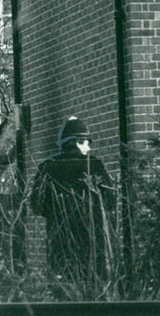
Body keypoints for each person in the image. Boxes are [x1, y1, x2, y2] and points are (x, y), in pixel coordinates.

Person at [30, 115, 115, 295]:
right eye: (86, 142)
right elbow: (111, 201)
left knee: (62, 289)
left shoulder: (47, 167)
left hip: (59, 239)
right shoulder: (95, 166)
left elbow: (36, 205)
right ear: (77, 142)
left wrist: (55, 211)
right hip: (92, 239)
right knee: (94, 291)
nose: (89, 147)